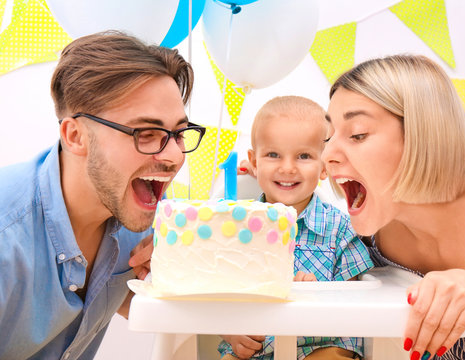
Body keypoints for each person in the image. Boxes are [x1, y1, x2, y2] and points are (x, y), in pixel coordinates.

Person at [0, 31, 206, 359]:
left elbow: (144, 303)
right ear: (75, 135)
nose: (174, 157)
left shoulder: (145, 216)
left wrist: (176, 271)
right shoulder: (7, 235)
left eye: (179, 134)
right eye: (147, 133)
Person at [322, 54, 465, 360]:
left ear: (421, 135)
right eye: (327, 137)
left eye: (357, 134)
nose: (327, 154)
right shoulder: (373, 232)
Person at [219, 96, 373, 360]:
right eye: (273, 155)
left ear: (325, 166)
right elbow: (216, 292)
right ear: (254, 163)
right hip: (257, 351)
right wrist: (230, 331)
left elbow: (355, 305)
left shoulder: (340, 228)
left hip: (321, 346)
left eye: (303, 156)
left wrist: (317, 295)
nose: (287, 167)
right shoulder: (235, 226)